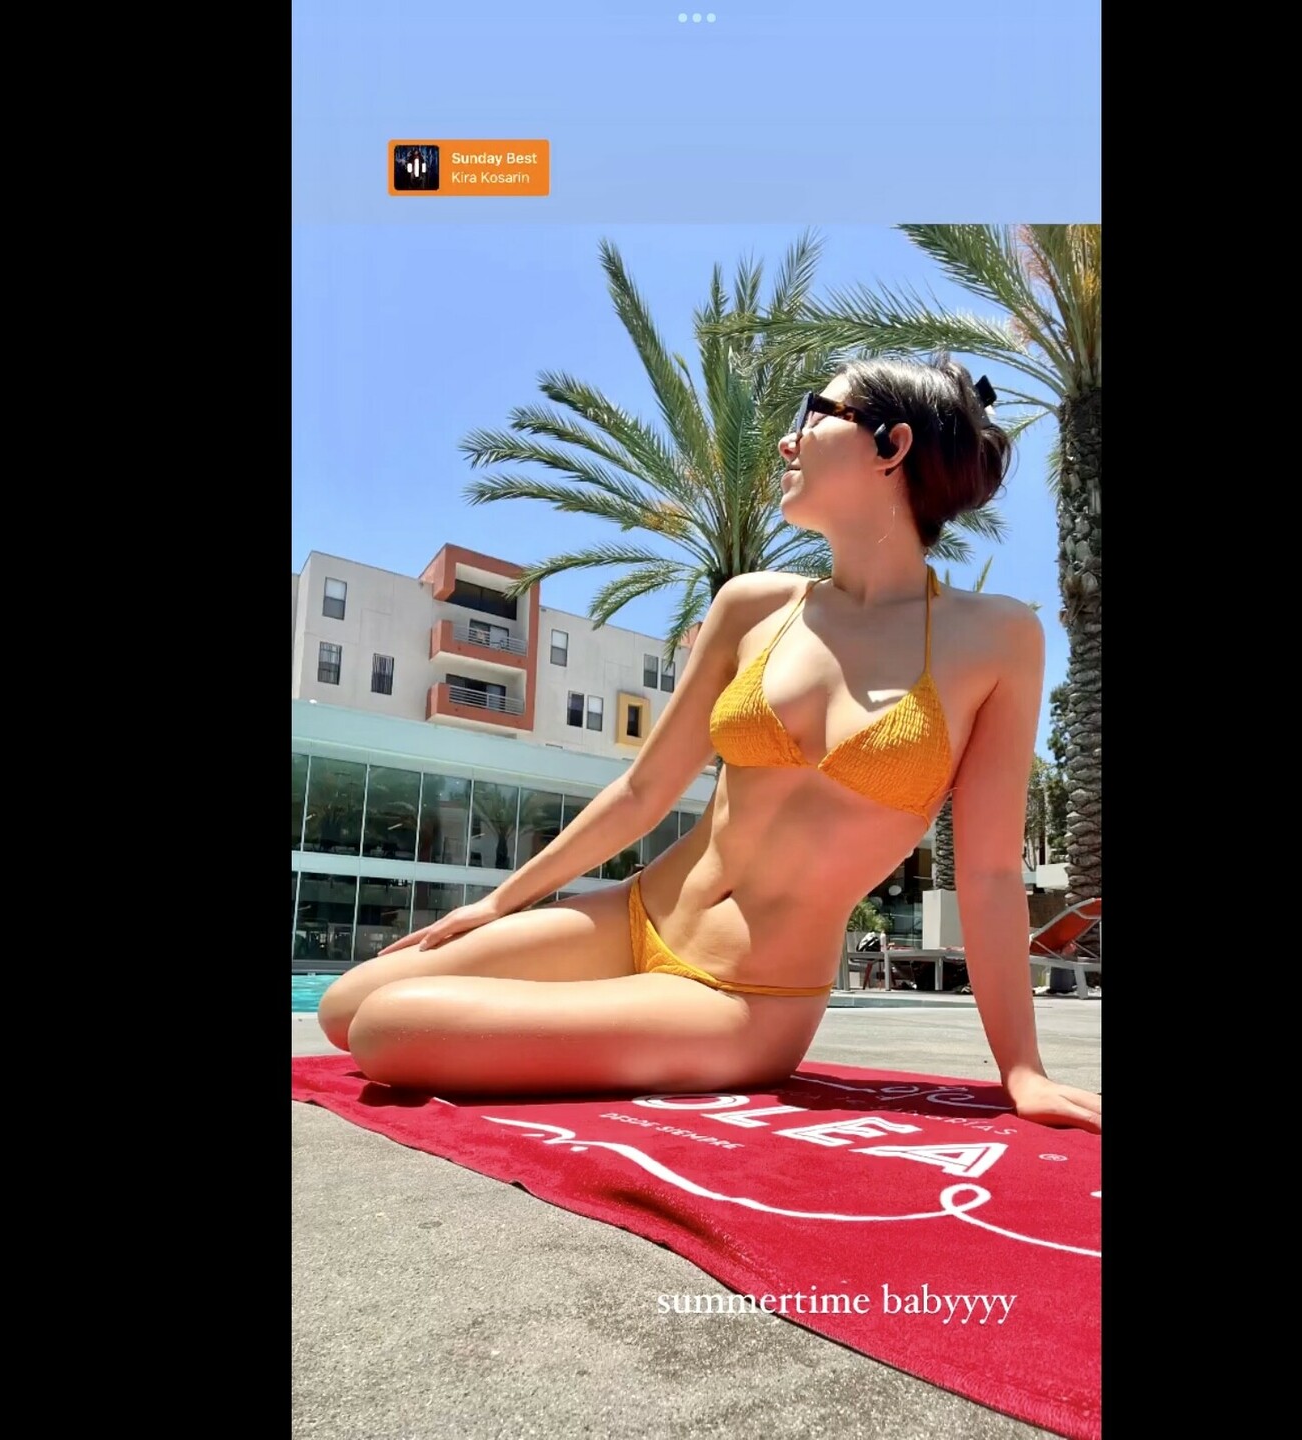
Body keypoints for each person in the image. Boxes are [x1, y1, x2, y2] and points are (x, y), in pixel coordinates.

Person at [317, 356, 1101, 1133]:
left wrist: (1021, 1069)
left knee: (390, 1028)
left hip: (742, 994)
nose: (788, 442)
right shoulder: (753, 605)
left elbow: (990, 872)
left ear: (890, 446)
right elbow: (642, 791)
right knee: (345, 1007)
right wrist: (497, 903)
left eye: (814, 414)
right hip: (636, 915)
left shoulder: (995, 638)